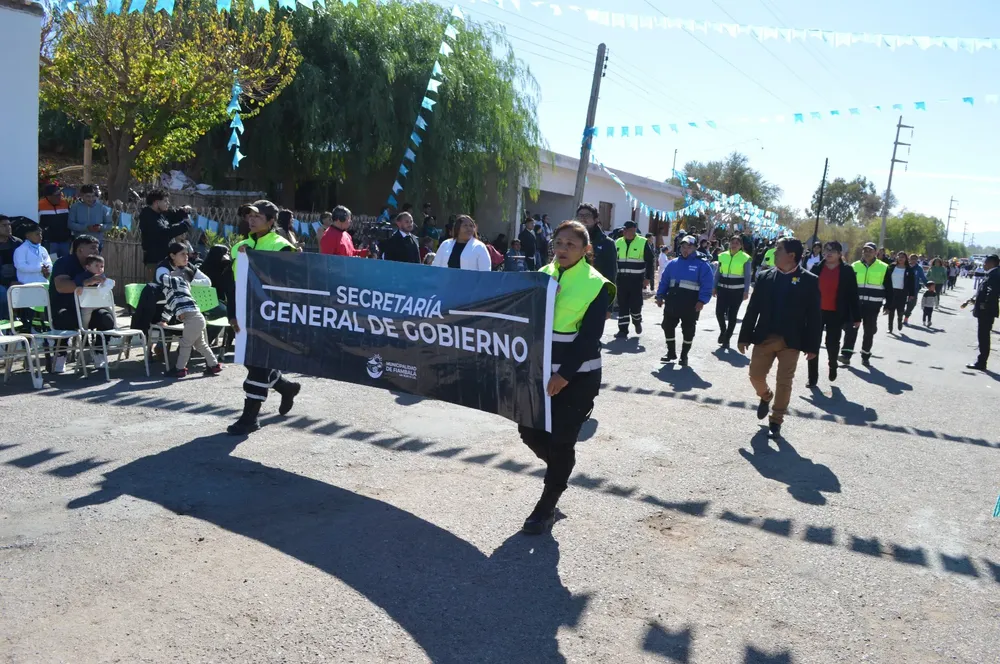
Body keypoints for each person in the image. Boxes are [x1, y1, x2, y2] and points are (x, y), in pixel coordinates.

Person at [522, 220, 614, 534]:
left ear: (586, 250)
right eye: (558, 243)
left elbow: (589, 337)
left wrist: (564, 374)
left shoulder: (596, 284)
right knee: (529, 432)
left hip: (578, 377)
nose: (562, 249)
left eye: (570, 244)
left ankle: (546, 506)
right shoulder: (542, 275)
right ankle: (560, 470)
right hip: (539, 372)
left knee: (562, 440)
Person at [225, 202, 301, 434]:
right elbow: (232, 284)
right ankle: (285, 387)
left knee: (258, 364)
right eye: (249, 216)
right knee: (251, 361)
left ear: (271, 221)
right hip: (244, 313)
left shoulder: (282, 247)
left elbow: (291, 285)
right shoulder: (240, 246)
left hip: (270, 316)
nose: (251, 220)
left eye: (257, 216)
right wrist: (232, 314)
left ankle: (249, 418)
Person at [737, 237, 821, 439]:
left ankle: (776, 420)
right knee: (755, 376)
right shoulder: (765, 277)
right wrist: (744, 336)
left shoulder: (809, 281)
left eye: (779, 250)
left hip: (791, 341)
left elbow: (815, 316)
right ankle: (766, 396)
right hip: (764, 336)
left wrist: (813, 346)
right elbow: (753, 309)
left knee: (784, 382)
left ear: (791, 255)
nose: (774, 253)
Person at [49, 234, 115, 373]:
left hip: (89, 308)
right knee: (64, 318)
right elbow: (61, 286)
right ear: (80, 250)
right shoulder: (63, 263)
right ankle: (60, 354)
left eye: (97, 248)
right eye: (93, 248)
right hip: (66, 307)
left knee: (107, 318)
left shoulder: (95, 264)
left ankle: (99, 351)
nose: (97, 251)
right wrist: (86, 283)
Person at [807, 241, 860, 387]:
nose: (829, 253)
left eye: (833, 251)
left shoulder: (847, 270)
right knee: (813, 343)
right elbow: (808, 291)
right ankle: (812, 377)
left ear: (839, 254)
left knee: (832, 343)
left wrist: (856, 317)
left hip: (836, 313)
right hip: (817, 312)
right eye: (827, 250)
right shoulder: (817, 268)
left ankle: (832, 365)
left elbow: (853, 294)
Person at [157, 261, 222, 379]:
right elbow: (170, 306)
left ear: (181, 276)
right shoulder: (175, 290)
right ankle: (214, 365)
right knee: (200, 345)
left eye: (175, 271)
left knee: (185, 344)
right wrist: (164, 320)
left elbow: (163, 279)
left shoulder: (179, 282)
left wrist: (160, 273)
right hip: (196, 319)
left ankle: (180, 369)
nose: (172, 271)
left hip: (192, 319)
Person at [656, 235, 714, 366]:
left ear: (695, 248)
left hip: (691, 303)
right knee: (667, 326)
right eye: (683, 247)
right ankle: (671, 352)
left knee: (688, 330)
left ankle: (684, 355)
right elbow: (664, 281)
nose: (685, 250)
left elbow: (707, 284)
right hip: (672, 301)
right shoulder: (673, 263)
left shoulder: (702, 265)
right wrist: (660, 296)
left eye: (689, 247)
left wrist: (702, 301)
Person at [841, 242, 888, 367]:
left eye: (870, 250)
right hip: (855, 304)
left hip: (873, 305)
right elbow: (847, 285)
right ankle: (846, 355)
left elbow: (889, 287)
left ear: (875, 252)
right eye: (865, 250)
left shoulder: (884, 267)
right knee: (851, 328)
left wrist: (888, 305)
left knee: (869, 331)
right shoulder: (854, 266)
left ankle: (865, 355)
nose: (867, 253)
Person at [139, 189, 193, 281]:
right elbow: (165, 233)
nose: (168, 203)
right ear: (156, 202)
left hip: (166, 260)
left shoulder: (162, 214)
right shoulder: (148, 217)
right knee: (157, 286)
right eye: (165, 201)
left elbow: (175, 215)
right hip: (155, 261)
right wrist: (185, 225)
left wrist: (185, 210)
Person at [612, 220, 654, 338]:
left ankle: (637, 321)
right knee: (623, 305)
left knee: (635, 305)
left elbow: (650, 261)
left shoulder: (642, 242)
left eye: (628, 230)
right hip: (621, 280)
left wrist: (648, 278)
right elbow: (613, 261)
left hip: (636, 280)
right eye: (624, 230)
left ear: (634, 230)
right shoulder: (618, 242)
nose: (625, 232)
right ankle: (623, 330)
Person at [714, 235, 752, 348]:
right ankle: (723, 330)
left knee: (732, 315)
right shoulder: (722, 256)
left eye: (737, 243)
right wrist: (714, 287)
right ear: (729, 243)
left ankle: (727, 338)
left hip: (737, 291)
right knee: (719, 312)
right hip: (723, 288)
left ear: (741, 245)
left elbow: (747, 276)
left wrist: (746, 291)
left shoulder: (745, 258)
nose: (734, 245)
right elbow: (718, 273)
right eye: (732, 242)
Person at [963, 254, 1000, 371]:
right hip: (986, 310)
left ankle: (981, 362)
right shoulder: (992, 274)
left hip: (986, 311)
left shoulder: (995, 275)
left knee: (983, 336)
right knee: (983, 335)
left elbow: (992, 292)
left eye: (985, 262)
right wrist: (976, 300)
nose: (983, 264)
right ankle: (982, 360)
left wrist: (984, 304)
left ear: (991, 263)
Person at [575, 203, 617, 284]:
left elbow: (610, 275)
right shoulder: (570, 240)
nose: (583, 218)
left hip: (595, 287)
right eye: (580, 215)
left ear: (595, 220)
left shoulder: (607, 243)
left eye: (587, 215)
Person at [68, 184, 112, 250]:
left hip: (97, 243)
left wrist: (101, 227)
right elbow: (70, 224)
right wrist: (86, 228)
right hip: (80, 243)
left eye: (93, 196)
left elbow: (109, 224)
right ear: (82, 195)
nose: (91, 199)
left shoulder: (102, 208)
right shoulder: (75, 207)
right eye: (88, 196)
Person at [884, 251, 916, 334]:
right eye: (899, 256)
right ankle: (890, 327)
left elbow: (912, 283)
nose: (901, 258)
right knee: (891, 310)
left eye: (903, 257)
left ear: (906, 259)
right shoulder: (892, 266)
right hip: (892, 291)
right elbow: (886, 278)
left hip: (902, 292)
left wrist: (911, 294)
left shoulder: (909, 269)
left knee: (900, 310)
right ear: (897, 257)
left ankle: (899, 322)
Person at [38, 184, 72, 258]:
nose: (59, 197)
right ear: (48, 196)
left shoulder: (65, 203)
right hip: (50, 242)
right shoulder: (40, 205)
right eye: (57, 195)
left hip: (65, 241)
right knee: (51, 262)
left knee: (65, 262)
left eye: (60, 194)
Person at [0, 215, 23, 321]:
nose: (8, 228)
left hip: (17, 278)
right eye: (4, 225)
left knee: (34, 288)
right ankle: (6, 321)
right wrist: (8, 282)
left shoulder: (18, 243)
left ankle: (26, 322)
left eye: (9, 225)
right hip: (2, 281)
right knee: (2, 292)